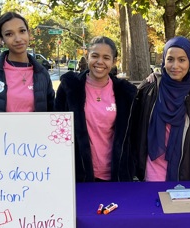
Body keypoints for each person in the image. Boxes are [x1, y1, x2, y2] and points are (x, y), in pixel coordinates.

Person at [131, 36, 190, 181]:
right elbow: (133, 131)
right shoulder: (149, 92)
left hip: (184, 177)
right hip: (148, 176)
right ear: (163, 61)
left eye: (182, 60)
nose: (175, 65)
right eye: (170, 59)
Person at [54, 36, 138, 182]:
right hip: (79, 175)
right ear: (87, 57)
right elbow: (57, 131)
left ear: (114, 61)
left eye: (106, 57)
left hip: (116, 176)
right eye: (95, 56)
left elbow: (133, 136)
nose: (100, 62)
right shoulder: (70, 87)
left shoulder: (126, 93)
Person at [0, 12, 54, 112]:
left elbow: (51, 114)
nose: (18, 39)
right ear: (1, 39)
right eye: (9, 34)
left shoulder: (42, 73)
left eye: (22, 31)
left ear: (29, 34)